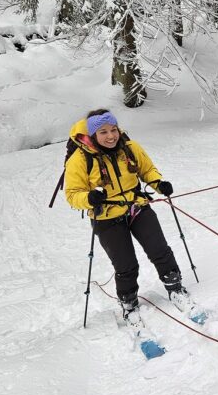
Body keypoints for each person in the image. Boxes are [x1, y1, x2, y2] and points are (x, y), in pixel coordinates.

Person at [64, 109, 196, 328]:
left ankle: (175, 288)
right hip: (106, 217)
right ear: (93, 135)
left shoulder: (129, 148)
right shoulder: (79, 159)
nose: (111, 136)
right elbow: (72, 194)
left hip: (136, 206)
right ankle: (129, 304)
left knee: (159, 250)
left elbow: (147, 170)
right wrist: (89, 198)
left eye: (113, 129)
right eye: (103, 131)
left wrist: (158, 183)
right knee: (125, 265)